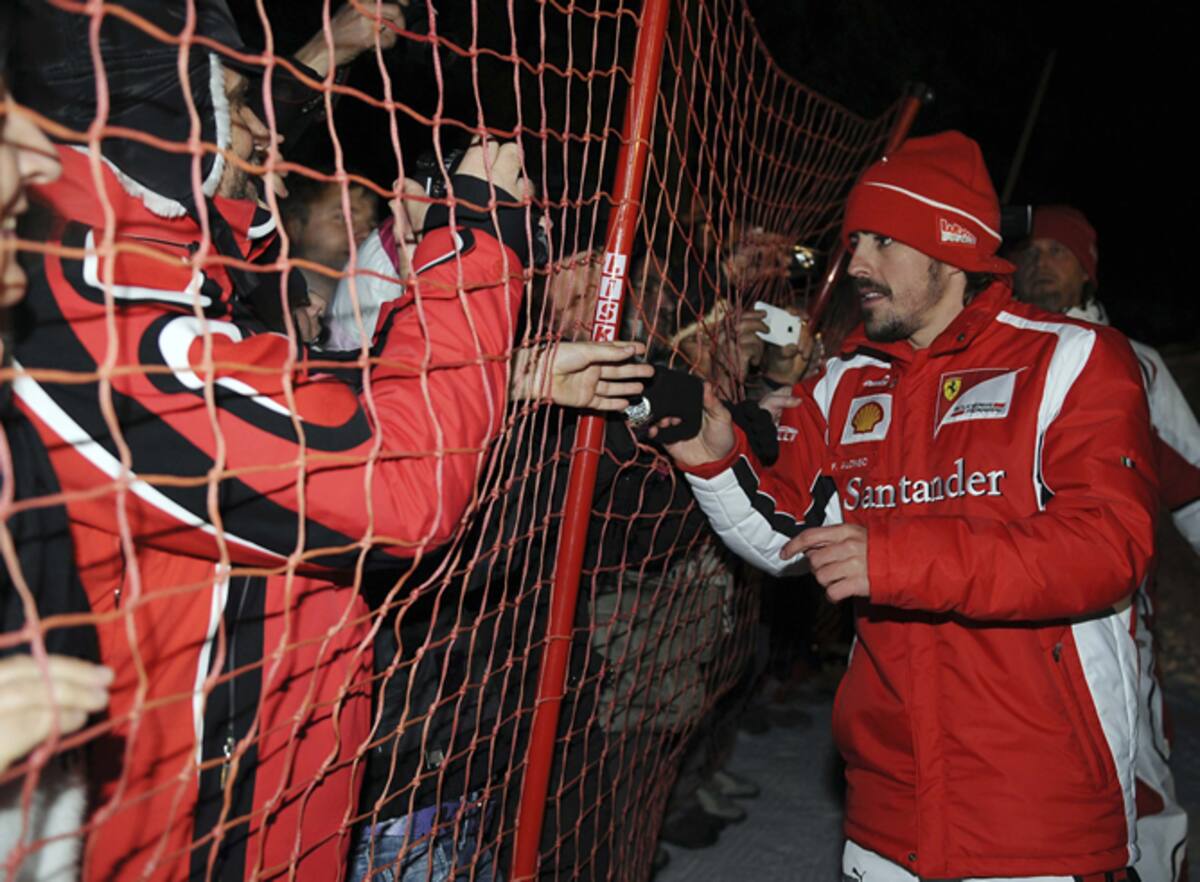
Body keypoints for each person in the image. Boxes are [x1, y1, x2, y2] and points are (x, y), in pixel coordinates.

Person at [9, 2, 644, 880]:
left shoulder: (149, 275)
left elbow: (257, 397)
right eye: (238, 98)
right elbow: (400, 492)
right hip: (192, 831)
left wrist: (510, 376)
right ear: (169, 112)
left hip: (273, 786)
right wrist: (478, 241)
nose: (272, 135)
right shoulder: (91, 303)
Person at [654, 131, 1157, 881]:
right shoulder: (847, 380)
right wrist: (710, 456)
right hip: (887, 803)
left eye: (883, 242)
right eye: (855, 241)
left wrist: (894, 558)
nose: (855, 262)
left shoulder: (1075, 358)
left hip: (1034, 806)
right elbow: (792, 534)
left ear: (949, 249)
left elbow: (1106, 549)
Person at [1014, 204, 1196, 882]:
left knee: (1131, 774)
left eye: (1057, 253)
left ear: (1087, 273)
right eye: (1029, 252)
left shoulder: (1136, 366)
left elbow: (1193, 481)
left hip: (1108, 621)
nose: (1038, 263)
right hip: (1002, 615)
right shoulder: (986, 355)